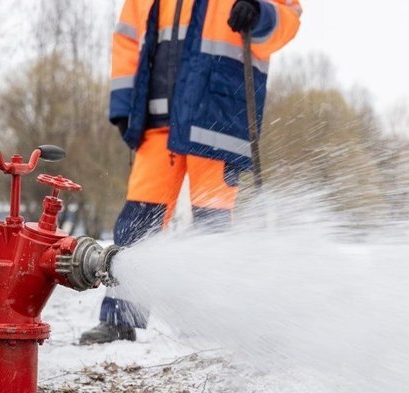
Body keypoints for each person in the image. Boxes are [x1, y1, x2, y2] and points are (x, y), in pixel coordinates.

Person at [80, 0, 301, 345]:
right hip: (156, 120)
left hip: (216, 112)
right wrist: (123, 104)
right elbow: (126, 38)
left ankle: (210, 318)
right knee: (138, 218)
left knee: (214, 220)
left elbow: (287, 17)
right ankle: (121, 316)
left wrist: (260, 14)